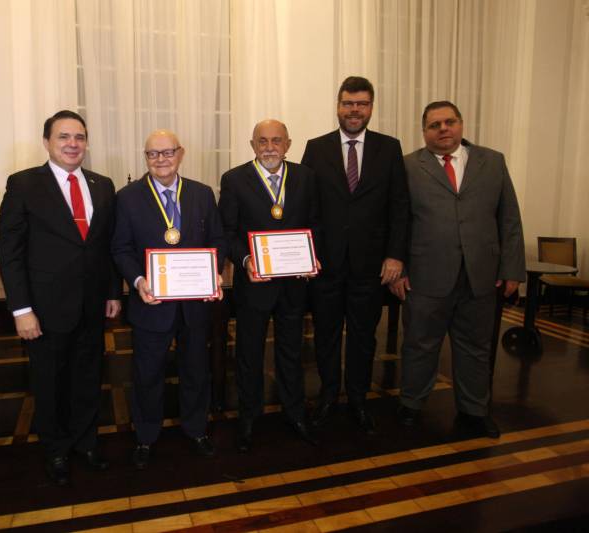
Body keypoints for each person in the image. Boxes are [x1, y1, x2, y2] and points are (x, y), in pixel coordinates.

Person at [0, 110, 121, 485]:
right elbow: (11, 252)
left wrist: (113, 291)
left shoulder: (103, 185)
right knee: (50, 383)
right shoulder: (23, 184)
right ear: (47, 142)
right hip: (45, 308)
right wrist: (22, 309)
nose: (73, 144)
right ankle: (55, 450)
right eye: (64, 137)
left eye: (79, 137)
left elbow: (106, 246)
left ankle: (86, 443)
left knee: (88, 378)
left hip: (92, 304)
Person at [390, 101, 525, 438]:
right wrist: (398, 269)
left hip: (480, 275)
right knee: (419, 345)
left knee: (476, 348)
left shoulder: (492, 162)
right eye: (434, 125)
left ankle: (475, 410)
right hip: (424, 275)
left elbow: (509, 219)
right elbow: (397, 222)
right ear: (424, 132)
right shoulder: (407, 166)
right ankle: (411, 405)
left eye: (449, 122)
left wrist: (512, 269)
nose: (443, 129)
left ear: (461, 124)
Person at [301, 76, 410, 434]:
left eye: (362, 104)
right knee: (327, 335)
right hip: (326, 265)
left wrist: (395, 256)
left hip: (370, 267)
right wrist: (305, 256)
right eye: (348, 103)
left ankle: (360, 398)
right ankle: (329, 395)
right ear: (337, 105)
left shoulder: (389, 148)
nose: (354, 110)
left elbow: (399, 206)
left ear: (371, 108)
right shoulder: (315, 148)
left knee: (364, 336)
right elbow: (306, 206)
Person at [112, 129, 225, 469]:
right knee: (147, 373)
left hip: (194, 305)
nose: (160, 159)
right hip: (151, 303)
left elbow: (217, 240)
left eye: (167, 152)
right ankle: (146, 437)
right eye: (152, 154)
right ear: (145, 157)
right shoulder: (128, 197)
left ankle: (196, 429)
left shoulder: (202, 194)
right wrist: (138, 280)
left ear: (181, 153)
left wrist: (214, 272)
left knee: (196, 370)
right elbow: (120, 248)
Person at [218, 119, 319, 453]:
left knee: (292, 351)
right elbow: (228, 233)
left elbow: (314, 224)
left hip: (293, 284)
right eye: (263, 141)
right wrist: (247, 261)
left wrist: (311, 256)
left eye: (277, 140)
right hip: (254, 285)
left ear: (288, 144)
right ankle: (248, 416)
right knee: (249, 353)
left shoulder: (305, 177)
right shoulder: (234, 180)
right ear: (252, 144)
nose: (270, 147)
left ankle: (295, 412)